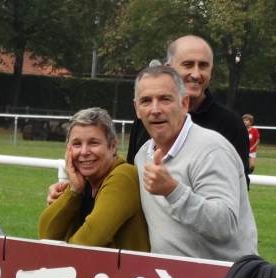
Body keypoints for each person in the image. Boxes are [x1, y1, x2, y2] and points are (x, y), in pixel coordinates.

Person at [133, 65, 257, 262]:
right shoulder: (142, 156)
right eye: (146, 101)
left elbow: (225, 225)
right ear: (137, 109)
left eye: (165, 99)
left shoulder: (211, 150)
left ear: (183, 104)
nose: (155, 109)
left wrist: (172, 191)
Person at [126, 35, 250, 188]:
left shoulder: (230, 124)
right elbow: (132, 177)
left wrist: (172, 190)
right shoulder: (147, 119)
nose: (196, 74)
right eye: (188, 64)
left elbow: (236, 190)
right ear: (169, 68)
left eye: (203, 65)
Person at [38, 108, 150, 251]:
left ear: (113, 146)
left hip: (128, 273)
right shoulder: (83, 185)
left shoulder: (124, 176)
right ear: (68, 149)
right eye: (77, 144)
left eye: (94, 143)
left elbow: (87, 242)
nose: (84, 152)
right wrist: (73, 192)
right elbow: (46, 236)